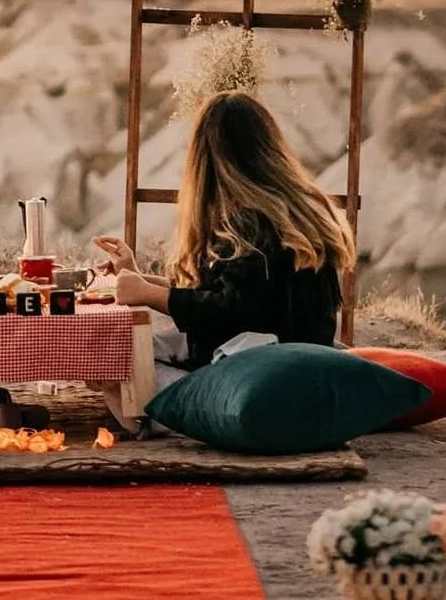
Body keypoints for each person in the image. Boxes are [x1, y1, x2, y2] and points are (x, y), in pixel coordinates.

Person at [94, 91, 353, 388]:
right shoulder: (295, 209)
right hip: (288, 356)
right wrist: (140, 280)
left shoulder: (250, 225)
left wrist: (150, 295)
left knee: (114, 362)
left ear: (207, 159)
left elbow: (231, 311)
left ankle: (163, 416)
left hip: (263, 377)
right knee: (134, 350)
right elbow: (235, 294)